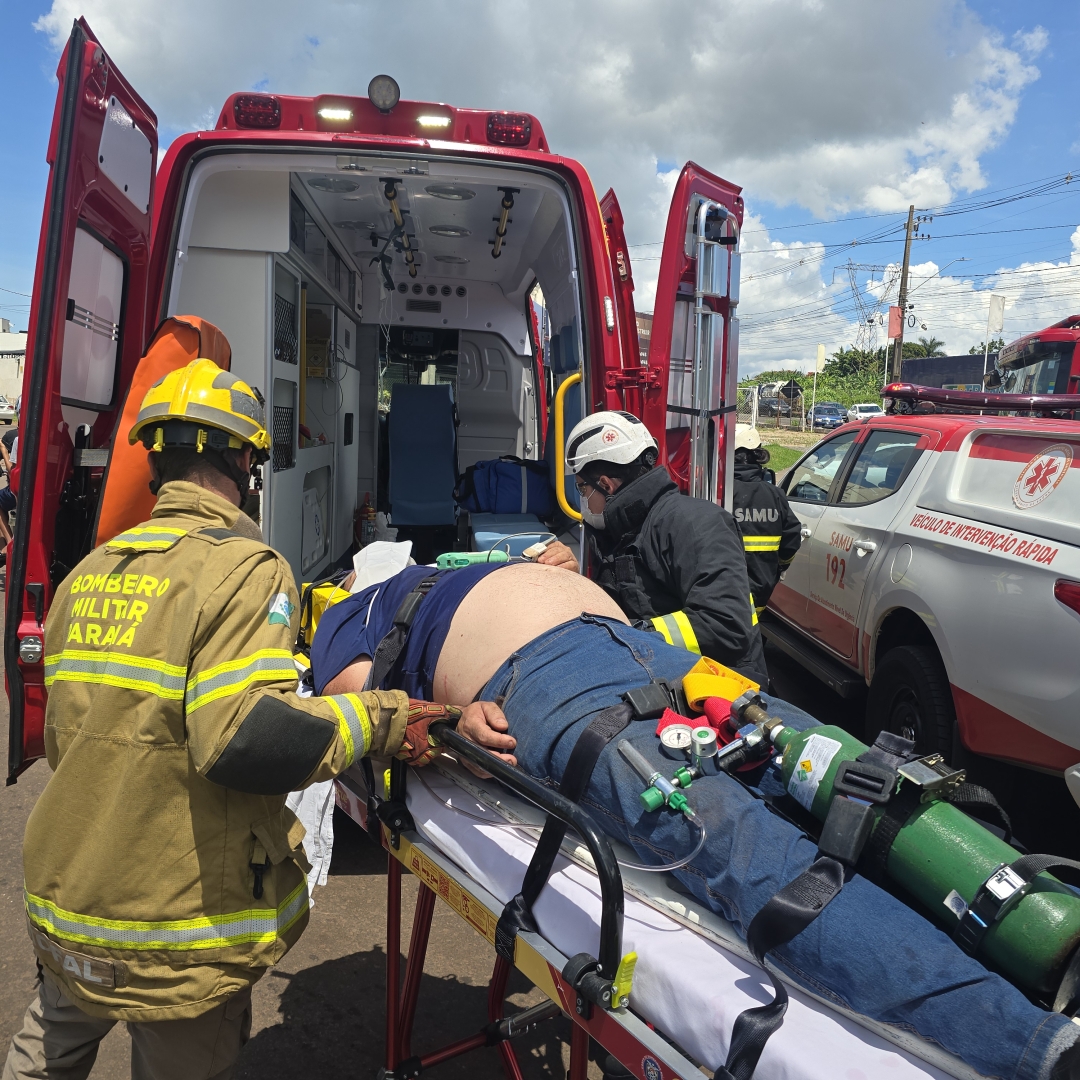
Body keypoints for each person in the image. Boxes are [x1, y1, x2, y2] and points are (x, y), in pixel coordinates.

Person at [309, 561, 1080, 1080]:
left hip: (619, 657)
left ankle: (1047, 948)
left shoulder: (416, 586)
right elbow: (372, 717)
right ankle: (1035, 1041)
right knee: (777, 838)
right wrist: (451, 725)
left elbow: (370, 709)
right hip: (580, 671)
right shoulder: (361, 611)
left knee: (843, 792)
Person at [3, 359, 465, 1080]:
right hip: (172, 928)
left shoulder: (86, 576)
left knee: (42, 1058)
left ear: (155, 462)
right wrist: (380, 717)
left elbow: (75, 738)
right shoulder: (246, 570)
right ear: (242, 462)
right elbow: (245, 739)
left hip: (70, 904)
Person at [537, 410, 767, 686]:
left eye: (582, 489)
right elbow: (625, 603)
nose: (582, 500)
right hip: (666, 677)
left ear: (606, 485)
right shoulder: (626, 529)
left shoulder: (697, 524)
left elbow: (725, 628)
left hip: (724, 689)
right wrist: (574, 582)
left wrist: (624, 635)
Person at [731, 425, 802, 615]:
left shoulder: (718, 493)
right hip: (760, 592)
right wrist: (781, 566)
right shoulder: (775, 495)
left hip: (723, 590)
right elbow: (792, 537)